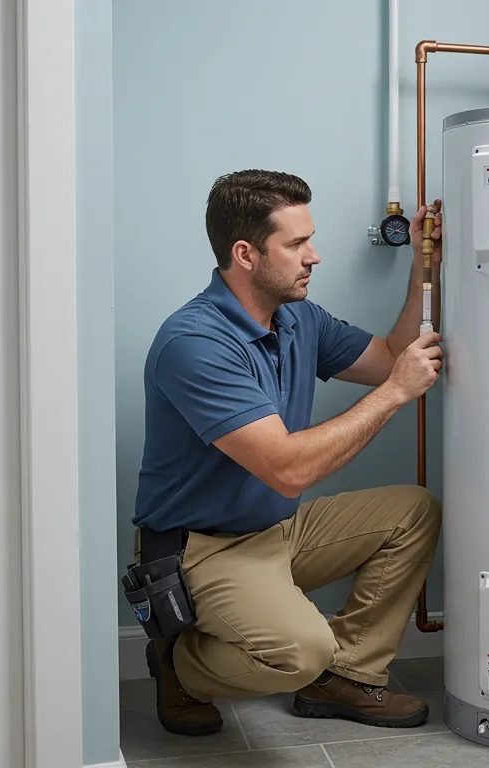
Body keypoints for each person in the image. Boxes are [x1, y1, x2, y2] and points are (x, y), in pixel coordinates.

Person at [129, 169, 445, 737]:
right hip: (204, 549)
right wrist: (397, 392)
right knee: (300, 651)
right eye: (297, 244)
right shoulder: (195, 345)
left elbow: (394, 354)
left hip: (276, 529)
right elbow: (289, 468)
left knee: (412, 510)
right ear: (245, 254)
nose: (314, 256)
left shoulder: (298, 318)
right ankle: (178, 665)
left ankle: (344, 675)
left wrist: (425, 265)